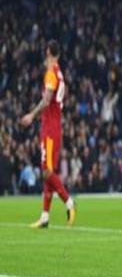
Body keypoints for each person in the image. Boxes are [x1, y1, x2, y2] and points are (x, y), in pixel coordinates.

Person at [20, 39, 76, 228]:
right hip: (55, 126)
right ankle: (45, 216)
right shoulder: (60, 73)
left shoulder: (51, 74)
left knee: (46, 171)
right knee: (48, 173)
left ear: (48, 53)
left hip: (49, 129)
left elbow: (46, 101)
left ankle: (68, 201)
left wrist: (31, 115)